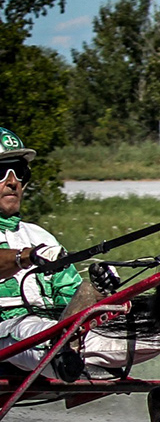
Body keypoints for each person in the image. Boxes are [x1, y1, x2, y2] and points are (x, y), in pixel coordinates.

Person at [0, 126, 86, 373]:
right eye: (1, 172)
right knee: (33, 329)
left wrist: (102, 297)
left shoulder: (39, 236)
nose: (13, 182)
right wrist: (24, 257)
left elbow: (69, 296)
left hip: (50, 331)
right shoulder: (33, 247)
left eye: (19, 172)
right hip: (12, 332)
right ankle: (65, 353)